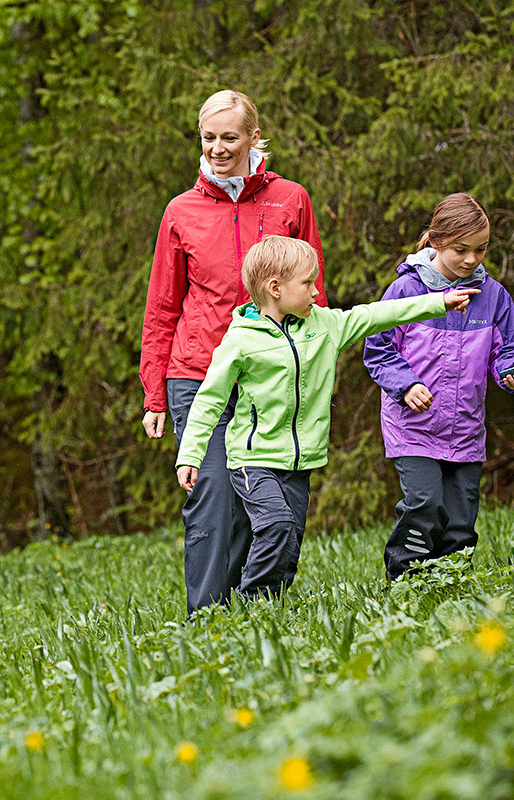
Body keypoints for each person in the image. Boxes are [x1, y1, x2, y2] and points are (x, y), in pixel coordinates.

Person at [175, 236, 478, 598]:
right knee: (276, 524)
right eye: (307, 283)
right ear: (275, 288)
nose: (316, 291)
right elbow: (209, 400)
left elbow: (376, 315)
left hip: (299, 463)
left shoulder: (325, 326)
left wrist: (438, 302)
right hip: (252, 460)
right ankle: (251, 600)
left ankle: (270, 603)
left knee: (289, 544)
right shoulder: (241, 340)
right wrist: (190, 455)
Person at [140, 89, 328, 612]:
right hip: (198, 373)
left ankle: (253, 608)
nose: (218, 148)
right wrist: (155, 393)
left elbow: (313, 293)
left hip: (269, 376)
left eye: (229, 137)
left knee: (261, 502)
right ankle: (207, 619)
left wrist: (312, 371)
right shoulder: (181, 211)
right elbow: (162, 306)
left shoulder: (291, 200)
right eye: (208, 138)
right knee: (214, 497)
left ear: (253, 137)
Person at [363, 193, 514, 581]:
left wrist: (511, 372)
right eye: (461, 249)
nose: (472, 259)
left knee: (461, 519)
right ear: (437, 240)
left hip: (465, 430)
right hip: (413, 428)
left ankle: (452, 581)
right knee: (424, 503)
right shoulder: (406, 291)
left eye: (481, 249)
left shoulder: (494, 296)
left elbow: (507, 350)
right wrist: (406, 385)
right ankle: (405, 580)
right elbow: (378, 350)